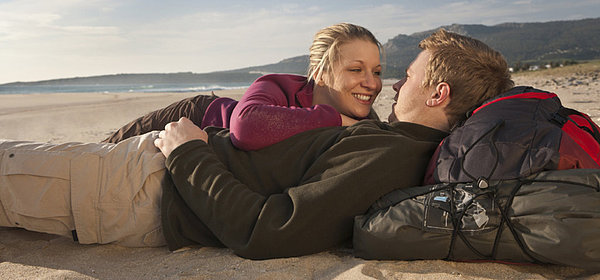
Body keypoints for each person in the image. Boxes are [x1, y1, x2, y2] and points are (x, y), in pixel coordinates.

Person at [0, 29, 514, 259]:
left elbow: (271, 230)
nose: (394, 84)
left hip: (146, 185)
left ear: (438, 93)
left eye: (407, 75)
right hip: (151, 171)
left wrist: (187, 154)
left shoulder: (393, 154)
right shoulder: (388, 137)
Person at [103, 23, 383, 151]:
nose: (371, 83)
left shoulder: (366, 120)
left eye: (378, 71)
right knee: (99, 152)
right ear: (320, 74)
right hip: (196, 116)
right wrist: (334, 119)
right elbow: (246, 128)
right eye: (356, 70)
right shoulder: (278, 85)